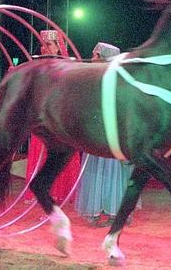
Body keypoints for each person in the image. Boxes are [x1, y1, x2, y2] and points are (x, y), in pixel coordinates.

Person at [75, 42, 141, 227]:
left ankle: (116, 212)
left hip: (113, 131)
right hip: (95, 130)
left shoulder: (117, 79)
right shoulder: (91, 78)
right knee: (96, 168)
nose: (93, 58)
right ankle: (94, 212)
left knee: (115, 171)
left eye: (96, 55)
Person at [23, 30, 80, 203]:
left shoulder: (67, 67)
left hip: (58, 117)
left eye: (48, 44)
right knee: (39, 149)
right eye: (42, 44)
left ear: (57, 47)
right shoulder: (40, 66)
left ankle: (55, 191)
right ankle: (38, 190)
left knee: (56, 153)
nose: (43, 48)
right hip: (40, 116)